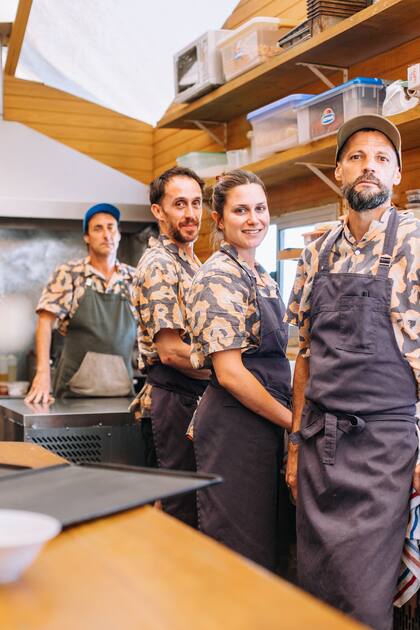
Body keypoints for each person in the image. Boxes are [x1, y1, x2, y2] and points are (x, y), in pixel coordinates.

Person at [285, 114, 420, 630]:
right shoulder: (316, 250)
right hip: (321, 443)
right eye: (357, 157)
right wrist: (296, 446)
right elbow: (306, 355)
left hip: (385, 449)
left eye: (382, 159)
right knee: (315, 597)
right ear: (338, 171)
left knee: (364, 603)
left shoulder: (413, 242)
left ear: (397, 176)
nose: (370, 167)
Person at [187, 169, 292, 571]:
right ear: (219, 219)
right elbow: (230, 373)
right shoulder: (218, 276)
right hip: (234, 425)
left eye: (261, 209)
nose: (254, 219)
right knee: (236, 551)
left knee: (265, 548)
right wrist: (292, 421)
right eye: (241, 210)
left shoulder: (261, 276)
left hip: (261, 423)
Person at [131, 166, 210, 528]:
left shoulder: (193, 262)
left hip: (192, 400)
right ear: (158, 211)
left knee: (192, 510)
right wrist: (231, 374)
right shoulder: (160, 264)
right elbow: (170, 351)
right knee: (175, 518)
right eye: (180, 204)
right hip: (171, 403)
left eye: (196, 203)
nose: (191, 213)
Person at [26, 203, 137, 402]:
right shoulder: (69, 274)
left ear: (119, 234)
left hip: (122, 395)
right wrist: (43, 374)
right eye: (98, 228)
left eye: (111, 227)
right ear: (86, 237)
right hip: (73, 395)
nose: (106, 234)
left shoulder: (134, 278)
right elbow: (45, 321)